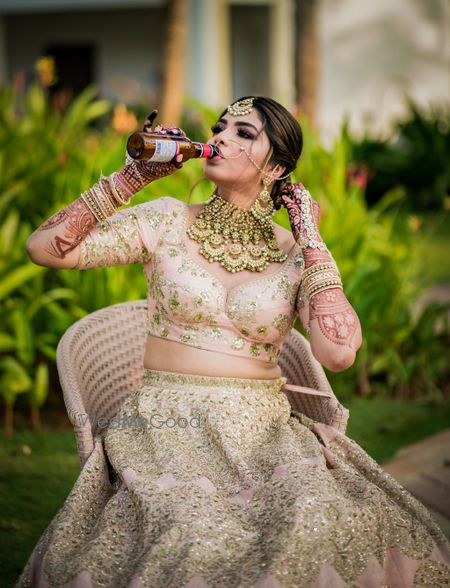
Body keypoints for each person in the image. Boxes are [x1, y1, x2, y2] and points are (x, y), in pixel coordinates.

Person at [17, 96, 449, 588]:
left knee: (317, 520)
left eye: (244, 133)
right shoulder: (165, 220)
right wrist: (131, 178)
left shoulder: (294, 255)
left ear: (278, 166)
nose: (220, 137)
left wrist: (308, 233)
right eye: (220, 127)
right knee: (191, 533)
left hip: (263, 433)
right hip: (166, 423)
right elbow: (44, 250)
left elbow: (339, 354)